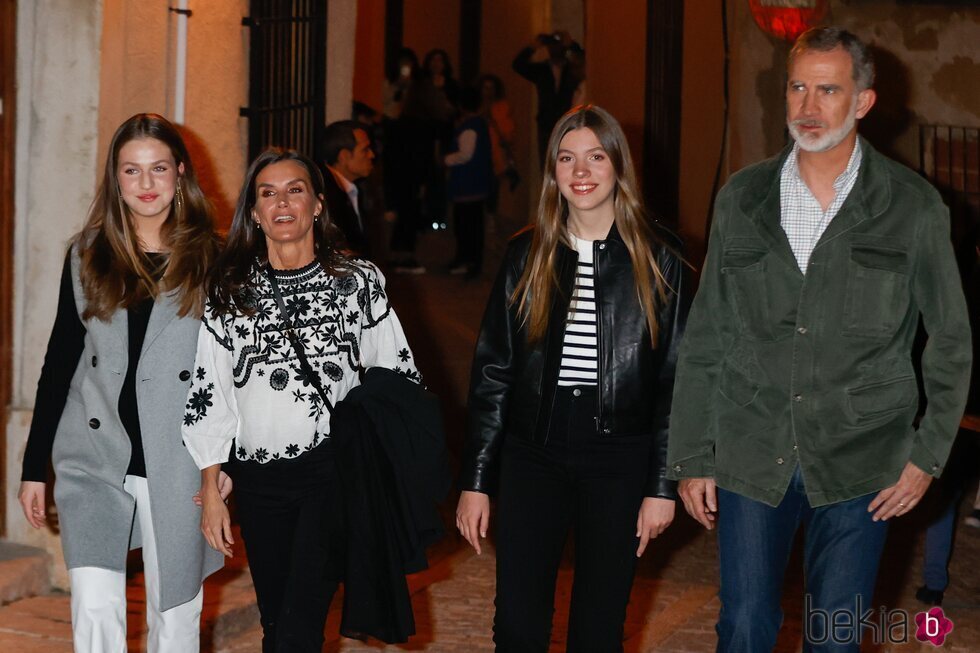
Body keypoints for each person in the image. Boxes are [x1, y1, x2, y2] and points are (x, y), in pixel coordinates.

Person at [667, 27, 972, 652]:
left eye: (827, 90)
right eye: (798, 87)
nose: (807, 106)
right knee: (744, 627)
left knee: (834, 639)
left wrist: (928, 454)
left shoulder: (913, 208)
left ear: (862, 101)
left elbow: (950, 338)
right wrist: (693, 452)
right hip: (753, 447)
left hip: (865, 459)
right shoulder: (742, 199)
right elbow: (707, 334)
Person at [456, 105, 686, 651]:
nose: (581, 171)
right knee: (516, 622)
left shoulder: (661, 260)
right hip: (532, 453)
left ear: (617, 167)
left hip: (620, 459)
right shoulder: (525, 254)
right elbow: (493, 372)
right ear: (553, 173)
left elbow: (676, 381)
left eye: (595, 156)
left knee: (599, 627)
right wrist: (476, 480)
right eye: (566, 158)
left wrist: (662, 485)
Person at [182, 149, 420, 652]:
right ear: (253, 211)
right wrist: (210, 483)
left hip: (331, 475)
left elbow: (399, 375)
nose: (282, 202)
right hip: (258, 479)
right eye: (267, 193)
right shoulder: (230, 290)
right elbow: (211, 390)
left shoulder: (357, 282)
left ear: (317, 205)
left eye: (295, 190)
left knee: (298, 624)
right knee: (276, 620)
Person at [18, 113, 225, 652]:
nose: (146, 184)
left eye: (158, 169)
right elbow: (59, 361)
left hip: (178, 461)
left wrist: (222, 469)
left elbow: (229, 375)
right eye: (131, 172)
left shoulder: (213, 258)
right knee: (92, 605)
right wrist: (32, 466)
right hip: (94, 453)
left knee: (175, 612)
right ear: (115, 179)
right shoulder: (87, 254)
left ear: (181, 173)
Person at [512, 31, 585, 168]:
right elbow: (518, 65)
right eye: (552, 45)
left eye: (558, 45)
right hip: (546, 124)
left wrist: (571, 45)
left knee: (567, 162)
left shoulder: (571, 70)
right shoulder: (542, 70)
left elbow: (585, 61)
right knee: (547, 165)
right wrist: (533, 46)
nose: (555, 49)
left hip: (568, 124)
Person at [444, 86, 493, 279]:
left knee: (466, 226)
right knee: (472, 226)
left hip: (468, 185)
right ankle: (469, 260)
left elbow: (465, 155)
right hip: (476, 184)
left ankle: (468, 260)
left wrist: (446, 160)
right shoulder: (479, 124)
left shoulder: (470, 127)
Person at [322, 119, 376, 257]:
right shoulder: (326, 195)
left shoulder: (353, 188)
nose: (372, 155)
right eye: (365, 150)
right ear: (344, 156)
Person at [478, 73, 519, 214]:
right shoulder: (476, 108)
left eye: (491, 88)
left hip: (495, 153)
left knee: (493, 186)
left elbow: (508, 131)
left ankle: (491, 214)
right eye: (485, 88)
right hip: (478, 152)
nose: (488, 92)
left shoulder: (502, 107)